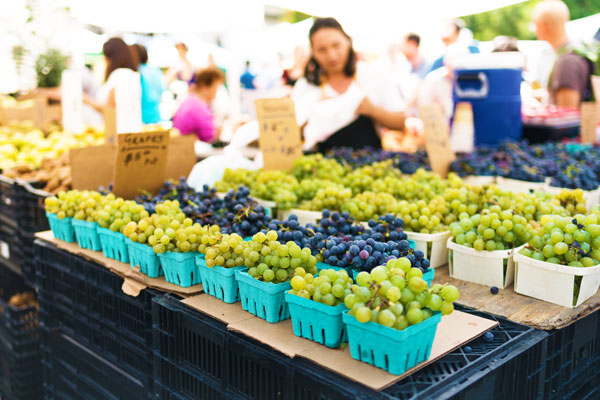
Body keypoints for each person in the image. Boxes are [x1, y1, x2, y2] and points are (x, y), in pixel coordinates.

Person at [292, 17, 405, 153]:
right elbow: (291, 135)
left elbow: (401, 122)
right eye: (322, 50)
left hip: (370, 165)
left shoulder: (372, 75)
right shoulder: (305, 86)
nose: (332, 55)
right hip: (323, 168)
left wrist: (372, 110)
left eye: (337, 45)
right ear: (313, 53)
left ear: (348, 41)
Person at [533, 0, 594, 107]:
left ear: (545, 25)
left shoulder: (566, 62)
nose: (534, 31)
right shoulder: (574, 52)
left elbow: (566, 115)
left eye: (535, 25)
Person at [84, 38, 141, 122]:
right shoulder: (132, 74)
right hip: (129, 128)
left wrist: (87, 100)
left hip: (117, 130)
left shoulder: (119, 75)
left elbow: (110, 108)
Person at [172, 67, 224, 142]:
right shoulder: (199, 107)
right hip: (189, 150)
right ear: (204, 87)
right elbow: (209, 137)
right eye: (215, 88)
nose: (216, 93)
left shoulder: (189, 100)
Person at [132, 44, 164, 124]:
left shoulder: (136, 73)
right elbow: (162, 91)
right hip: (156, 116)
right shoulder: (156, 71)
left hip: (141, 119)